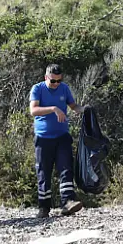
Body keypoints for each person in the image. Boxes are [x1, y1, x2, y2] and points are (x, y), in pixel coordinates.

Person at [29, 64, 84, 218]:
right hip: (43, 138)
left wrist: (84, 110)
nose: (56, 84)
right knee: (44, 172)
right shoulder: (37, 89)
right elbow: (33, 110)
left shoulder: (64, 89)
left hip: (62, 136)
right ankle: (44, 207)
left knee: (66, 168)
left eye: (59, 81)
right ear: (46, 77)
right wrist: (53, 108)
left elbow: (73, 105)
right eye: (53, 81)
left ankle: (67, 202)